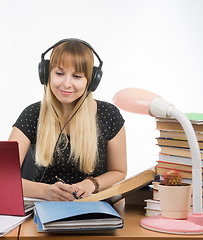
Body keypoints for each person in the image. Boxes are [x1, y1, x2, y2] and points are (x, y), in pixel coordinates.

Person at [8, 38, 127, 201]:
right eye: (59, 73)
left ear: (91, 81)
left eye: (77, 76)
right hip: (44, 207)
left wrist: (91, 184)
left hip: (93, 208)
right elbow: (4, 177)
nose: (66, 84)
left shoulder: (109, 114)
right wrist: (45, 191)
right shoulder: (32, 114)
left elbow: (119, 171)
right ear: (46, 73)